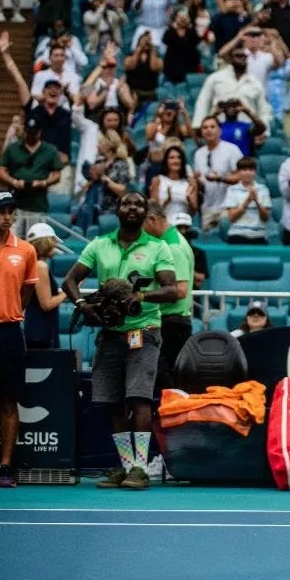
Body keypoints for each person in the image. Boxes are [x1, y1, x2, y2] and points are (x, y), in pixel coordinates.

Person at [62, 191, 179, 491]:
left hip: (145, 330)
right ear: (117, 210)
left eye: (138, 204)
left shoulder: (158, 247)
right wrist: (82, 306)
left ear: (144, 213)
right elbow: (69, 281)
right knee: (112, 402)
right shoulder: (99, 244)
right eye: (126, 203)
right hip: (111, 333)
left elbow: (172, 291)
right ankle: (126, 466)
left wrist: (139, 295)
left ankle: (139, 467)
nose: (131, 208)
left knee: (139, 398)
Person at [0, 191, 39, 487]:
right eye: (1, 211)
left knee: (8, 401)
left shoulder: (26, 250)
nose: (7, 216)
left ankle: (5, 467)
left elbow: (26, 293)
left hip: (9, 333)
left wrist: (8, 311)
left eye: (11, 211)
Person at [143, 200, 194, 395]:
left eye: (142, 225)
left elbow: (179, 290)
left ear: (152, 220)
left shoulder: (173, 247)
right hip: (170, 323)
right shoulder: (170, 242)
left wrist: (142, 296)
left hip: (172, 324)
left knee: (167, 383)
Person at [23, 222, 65, 351]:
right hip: (41, 330)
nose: (56, 245)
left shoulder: (32, 263)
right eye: (53, 241)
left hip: (36, 328)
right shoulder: (41, 266)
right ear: (46, 242)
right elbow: (46, 304)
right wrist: (68, 292)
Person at [221, 157, 272, 245]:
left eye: (251, 169)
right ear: (238, 172)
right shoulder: (232, 190)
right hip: (237, 235)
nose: (248, 172)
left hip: (258, 236)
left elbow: (266, 218)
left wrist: (257, 202)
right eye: (244, 169)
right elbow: (232, 218)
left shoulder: (263, 189)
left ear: (255, 172)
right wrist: (247, 201)